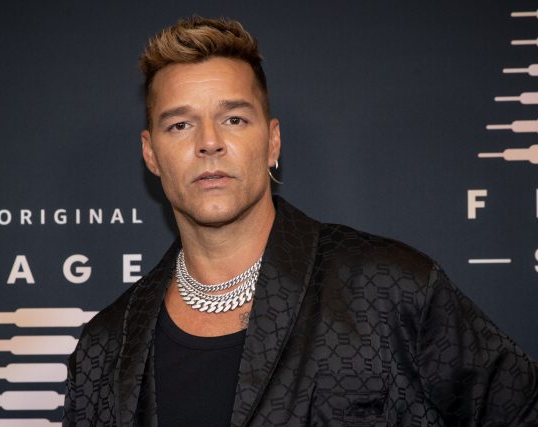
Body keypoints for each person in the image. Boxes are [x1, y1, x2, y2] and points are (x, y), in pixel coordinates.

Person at [63, 17, 538, 426]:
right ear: (151, 153)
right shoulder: (105, 347)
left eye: (233, 119)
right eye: (180, 125)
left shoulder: (391, 288)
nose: (208, 142)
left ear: (272, 142)